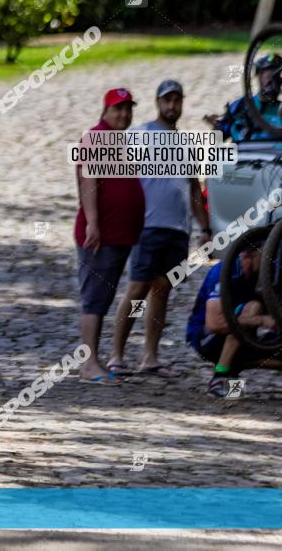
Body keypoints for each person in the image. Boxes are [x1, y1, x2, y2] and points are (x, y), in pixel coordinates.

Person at [108, 80, 211, 378]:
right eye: (167, 100)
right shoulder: (140, 135)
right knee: (137, 289)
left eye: (177, 101)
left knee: (162, 291)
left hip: (178, 228)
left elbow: (193, 187)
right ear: (157, 102)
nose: (172, 106)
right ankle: (116, 355)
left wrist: (204, 227)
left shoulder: (185, 143)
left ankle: (150, 357)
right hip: (146, 226)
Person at [74, 88, 145, 386]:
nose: (124, 115)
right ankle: (89, 363)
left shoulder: (118, 141)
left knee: (101, 299)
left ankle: (95, 360)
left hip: (119, 236)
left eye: (128, 109)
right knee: (94, 300)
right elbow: (88, 179)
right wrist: (93, 223)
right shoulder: (97, 137)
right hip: (99, 237)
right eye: (118, 109)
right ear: (105, 112)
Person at [185, 241, 282, 397]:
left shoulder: (262, 275)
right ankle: (219, 377)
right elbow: (215, 324)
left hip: (239, 340)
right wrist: (262, 321)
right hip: (205, 337)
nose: (268, 262)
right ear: (246, 256)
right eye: (263, 257)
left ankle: (233, 372)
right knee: (251, 312)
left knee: (254, 310)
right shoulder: (224, 271)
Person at [204, 54, 282, 142]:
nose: (275, 82)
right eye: (270, 77)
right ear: (259, 76)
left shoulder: (280, 109)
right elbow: (218, 138)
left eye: (278, 78)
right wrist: (216, 127)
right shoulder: (240, 105)